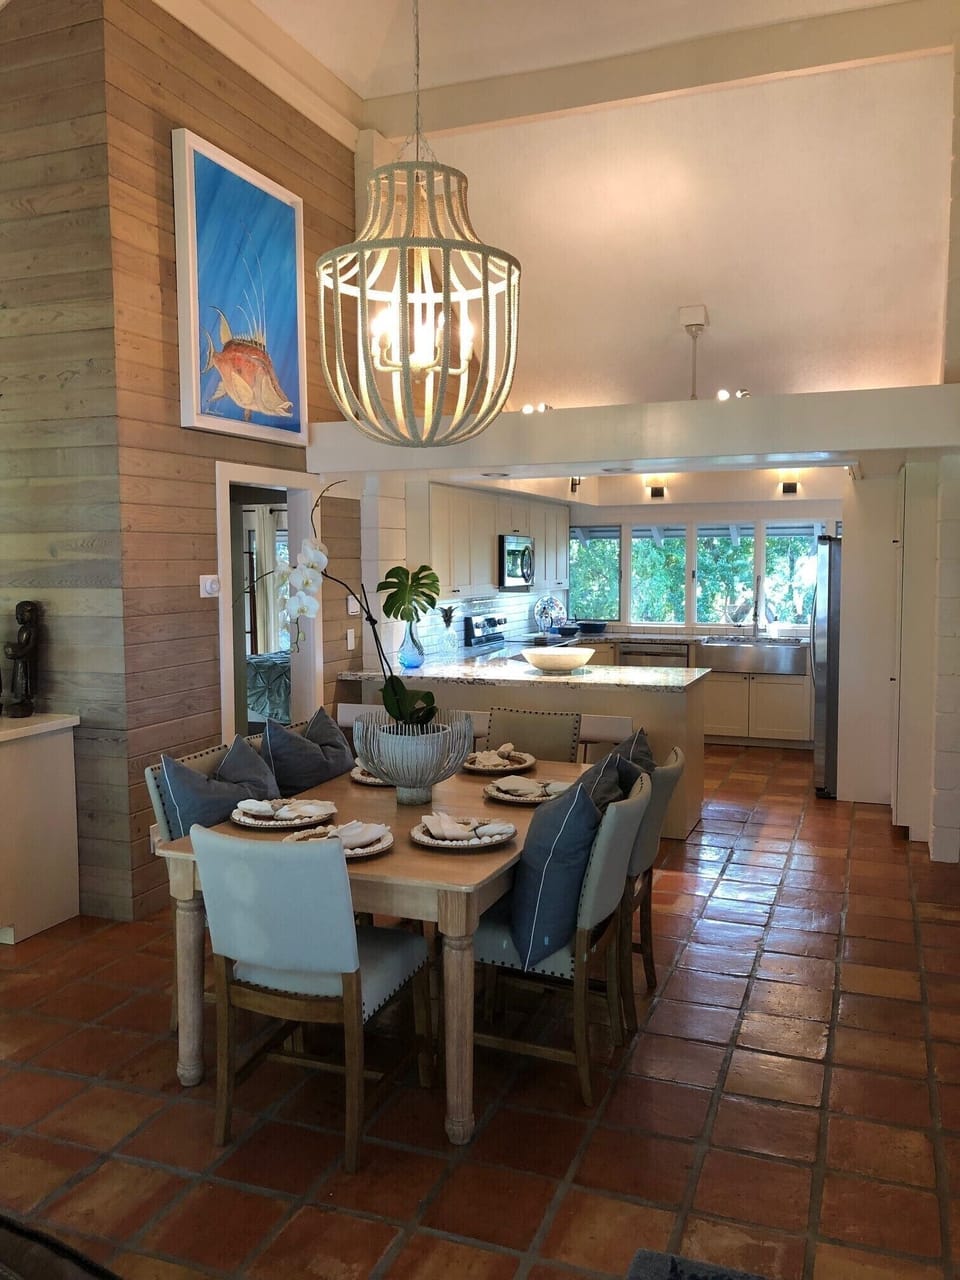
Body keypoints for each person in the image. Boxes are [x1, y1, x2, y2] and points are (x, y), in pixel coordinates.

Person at [5, 600, 39, 718]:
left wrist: (19, 653)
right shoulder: (22, 629)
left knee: (26, 680)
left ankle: (26, 701)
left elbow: (31, 646)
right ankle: (21, 700)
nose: (17, 618)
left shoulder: (33, 629)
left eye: (20, 615)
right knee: (19, 681)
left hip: (26, 661)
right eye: (16, 615)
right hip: (20, 660)